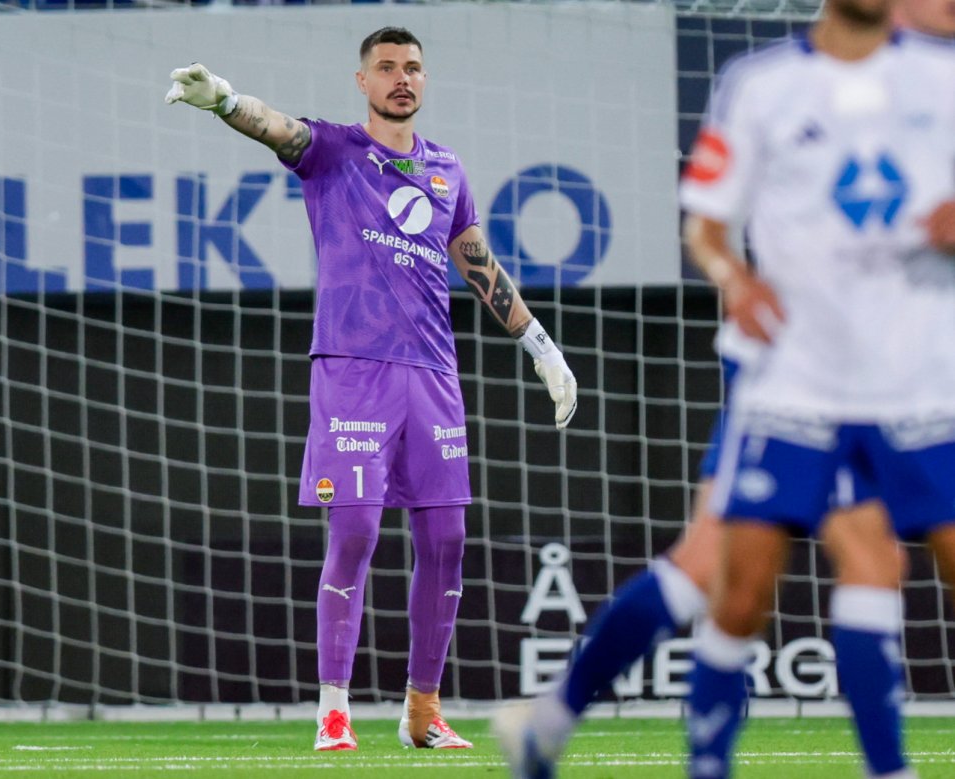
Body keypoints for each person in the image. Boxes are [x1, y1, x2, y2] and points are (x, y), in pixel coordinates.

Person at [494, 0, 955, 775]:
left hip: (908, 381)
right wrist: (734, 278)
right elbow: (706, 223)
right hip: (792, 376)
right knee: (733, 579)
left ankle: (553, 716)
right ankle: (595, 726)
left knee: (860, 564)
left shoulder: (937, 78)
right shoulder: (762, 85)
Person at [164, 27, 578, 752]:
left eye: (412, 67)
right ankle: (334, 708)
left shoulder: (447, 169)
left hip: (434, 375)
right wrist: (225, 100)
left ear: (425, 79)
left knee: (447, 540)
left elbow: (478, 264)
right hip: (353, 370)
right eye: (387, 67)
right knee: (355, 530)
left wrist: (539, 346)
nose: (401, 78)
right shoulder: (333, 151)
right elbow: (277, 127)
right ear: (364, 81)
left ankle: (423, 710)